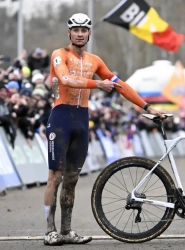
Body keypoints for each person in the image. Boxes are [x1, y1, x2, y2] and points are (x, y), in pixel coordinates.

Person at [43, 13, 165, 246]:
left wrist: (147, 106)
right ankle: (50, 231)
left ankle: (67, 231)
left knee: (72, 179)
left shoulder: (95, 60)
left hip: (81, 120)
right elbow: (66, 79)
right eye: (75, 30)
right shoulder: (59, 55)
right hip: (60, 119)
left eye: (84, 30)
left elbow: (120, 85)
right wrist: (97, 83)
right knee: (55, 177)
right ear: (69, 33)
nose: (79, 34)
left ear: (89, 33)